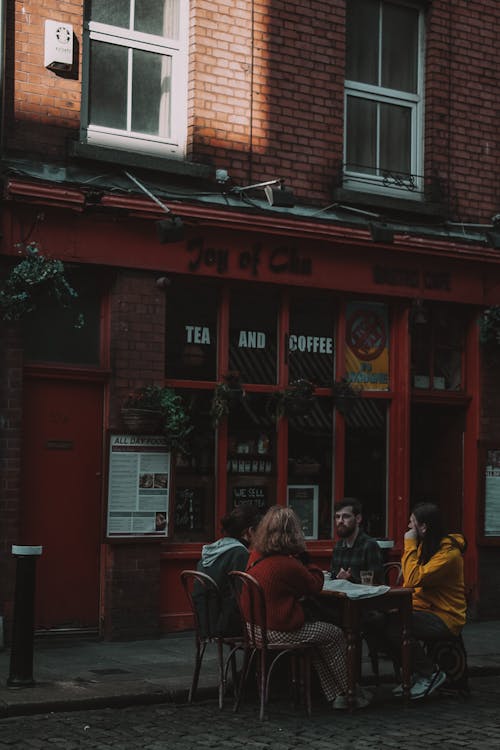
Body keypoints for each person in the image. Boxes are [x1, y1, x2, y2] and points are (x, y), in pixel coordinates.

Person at [243, 505, 371, 709]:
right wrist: (305, 558)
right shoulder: (286, 563)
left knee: (322, 637)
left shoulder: (256, 554)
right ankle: (350, 691)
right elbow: (315, 583)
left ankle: (338, 694)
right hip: (277, 630)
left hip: (255, 628)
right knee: (334, 634)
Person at [375, 501, 467, 700]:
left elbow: (413, 579)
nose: (408, 528)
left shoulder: (448, 555)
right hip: (423, 609)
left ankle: (430, 674)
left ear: (423, 527)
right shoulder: (427, 545)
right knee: (378, 624)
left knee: (396, 627)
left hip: (445, 616)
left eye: (411, 523)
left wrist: (409, 544)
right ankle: (414, 674)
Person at [194, 503, 261, 637]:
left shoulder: (214, 550)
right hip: (225, 625)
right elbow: (240, 596)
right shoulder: (240, 554)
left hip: (205, 622)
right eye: (259, 531)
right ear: (249, 532)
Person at [330, 498, 383, 584]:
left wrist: (350, 579)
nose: (340, 521)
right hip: (340, 595)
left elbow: (377, 583)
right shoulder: (338, 546)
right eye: (337, 517)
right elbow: (333, 577)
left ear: (358, 519)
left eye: (346, 516)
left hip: (363, 597)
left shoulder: (369, 545)